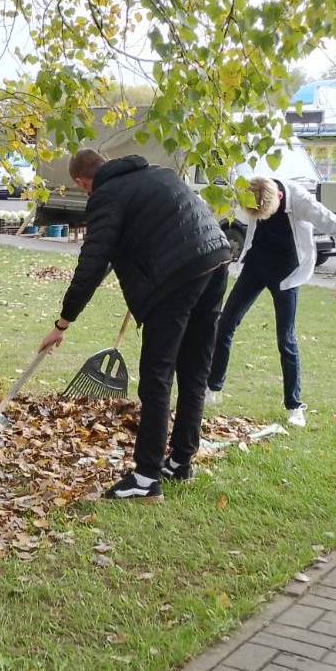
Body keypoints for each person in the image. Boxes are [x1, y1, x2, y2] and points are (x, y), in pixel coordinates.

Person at [39, 149, 231, 503]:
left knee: (157, 376)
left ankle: (146, 478)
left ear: (84, 182)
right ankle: (181, 461)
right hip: (217, 261)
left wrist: (63, 322)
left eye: (83, 191)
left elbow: (92, 263)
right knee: (193, 370)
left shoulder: (107, 195)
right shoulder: (159, 174)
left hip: (177, 278)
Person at [206, 175, 336, 427]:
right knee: (225, 325)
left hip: (287, 273)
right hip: (255, 267)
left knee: (285, 339)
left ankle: (294, 406)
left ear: (278, 197)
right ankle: (213, 388)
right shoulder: (251, 190)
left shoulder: (302, 201)